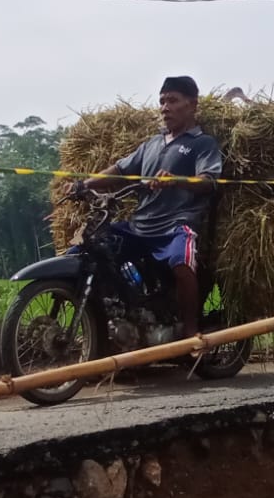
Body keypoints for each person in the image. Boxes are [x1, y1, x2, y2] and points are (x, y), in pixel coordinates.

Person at [75, 75, 222, 338]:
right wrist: (85, 185)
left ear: (192, 105)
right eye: (162, 101)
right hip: (139, 226)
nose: (165, 107)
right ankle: (115, 318)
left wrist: (176, 180)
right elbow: (120, 170)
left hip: (176, 226)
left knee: (182, 264)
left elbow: (208, 182)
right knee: (90, 249)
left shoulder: (202, 144)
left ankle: (191, 332)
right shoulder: (152, 144)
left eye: (173, 101)